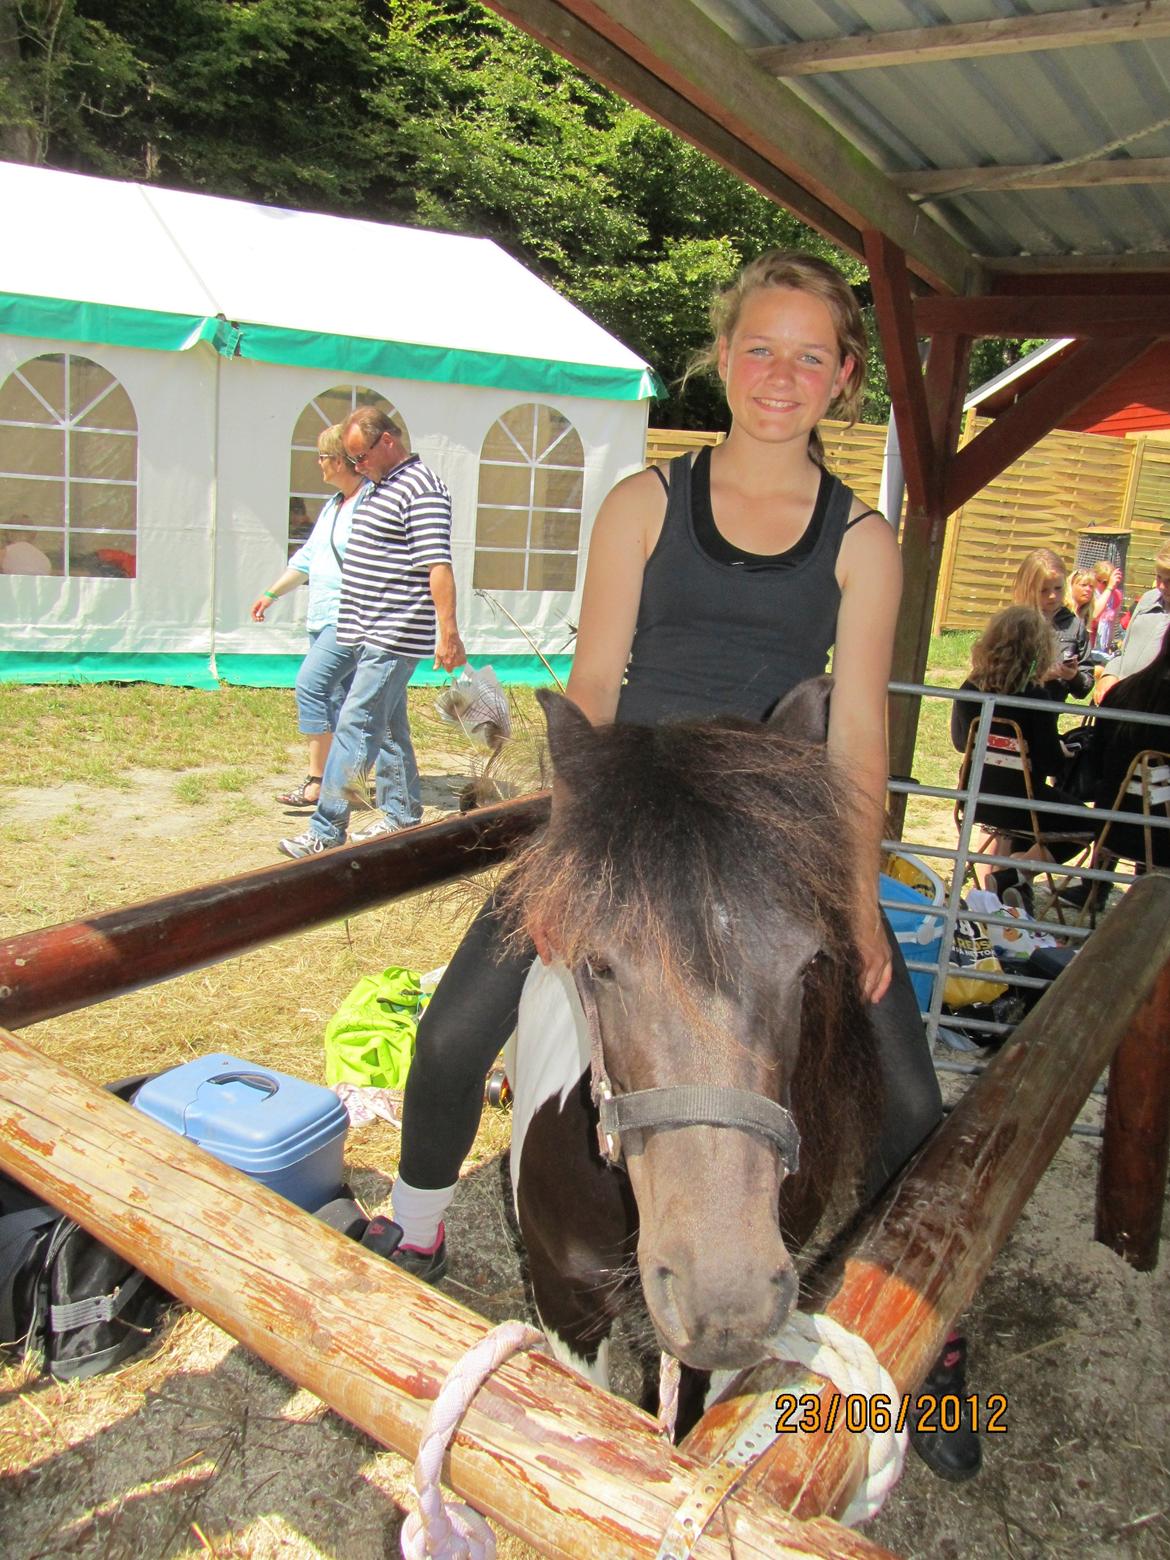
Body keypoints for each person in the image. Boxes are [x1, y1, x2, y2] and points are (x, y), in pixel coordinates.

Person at [388, 251, 973, 1477]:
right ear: (722, 356)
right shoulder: (647, 503)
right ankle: (421, 1230)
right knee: (449, 1038)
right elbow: (594, 686)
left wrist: (858, 900)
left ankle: (937, 1346)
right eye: (761, 347)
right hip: (632, 811)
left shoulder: (864, 541)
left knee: (915, 1106)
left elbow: (859, 734)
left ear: (845, 379)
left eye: (812, 354)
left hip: (771, 836)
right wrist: (576, 850)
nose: (781, 375)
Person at [277, 408, 466, 857]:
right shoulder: (382, 486)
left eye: (360, 457)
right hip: (363, 628)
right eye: (351, 460)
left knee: (355, 724)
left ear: (387, 442)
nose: (356, 467)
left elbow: (438, 565)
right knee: (387, 726)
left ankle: (325, 830)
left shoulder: (422, 490)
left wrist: (449, 632)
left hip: (393, 632)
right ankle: (402, 814)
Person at [250, 424, 369, 810]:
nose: (317, 463)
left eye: (321, 456)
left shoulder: (368, 502)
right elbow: (307, 558)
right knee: (344, 699)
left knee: (311, 686)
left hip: (349, 617)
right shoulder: (334, 504)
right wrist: (272, 593)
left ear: (338, 460)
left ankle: (319, 781)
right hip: (322, 616)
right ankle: (351, 781)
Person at [950, 606, 1093, 907]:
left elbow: (961, 743)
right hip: (1022, 804)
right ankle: (1019, 870)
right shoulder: (1035, 697)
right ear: (1038, 650)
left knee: (1042, 813)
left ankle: (1012, 884)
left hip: (976, 798)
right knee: (1093, 822)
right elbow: (1050, 764)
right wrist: (1060, 750)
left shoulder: (968, 689)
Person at [1086, 619, 1170, 867]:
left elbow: (1096, 761)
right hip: (1161, 837)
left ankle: (1096, 887)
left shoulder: (1122, 692)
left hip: (1109, 825)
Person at [1010, 548, 1092, 701]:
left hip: (1049, 712)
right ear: (1028, 588)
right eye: (1043, 590)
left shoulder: (1074, 625)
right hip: (1012, 712)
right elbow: (995, 675)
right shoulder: (1013, 623)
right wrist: (1039, 675)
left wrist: (1074, 676)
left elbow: (1084, 689)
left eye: (1058, 588)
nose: (1053, 595)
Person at [1095, 542, 1170, 703]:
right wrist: (1110, 673)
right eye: (1158, 577)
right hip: (1123, 701)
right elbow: (1124, 650)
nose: (1161, 586)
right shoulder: (1148, 600)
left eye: (1169, 580)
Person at [1088, 561, 1123, 656]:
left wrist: (1108, 646)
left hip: (1103, 645)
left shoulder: (1116, 595)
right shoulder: (1089, 592)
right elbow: (1094, 614)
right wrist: (1109, 588)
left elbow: (1112, 624)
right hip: (1087, 642)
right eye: (1103, 582)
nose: (1106, 585)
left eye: (1108, 582)